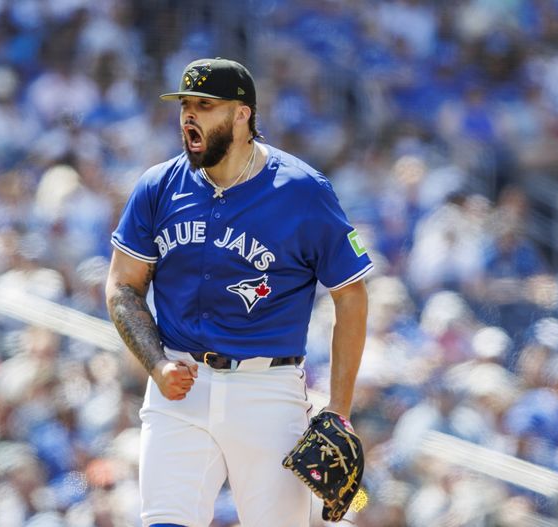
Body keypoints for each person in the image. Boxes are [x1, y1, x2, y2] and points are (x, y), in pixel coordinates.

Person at [105, 57, 372, 527]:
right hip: (179, 389)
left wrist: (341, 411)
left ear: (242, 114)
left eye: (205, 105)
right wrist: (156, 363)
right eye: (185, 105)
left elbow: (350, 294)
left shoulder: (302, 191)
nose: (189, 116)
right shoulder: (158, 187)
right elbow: (123, 286)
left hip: (267, 392)